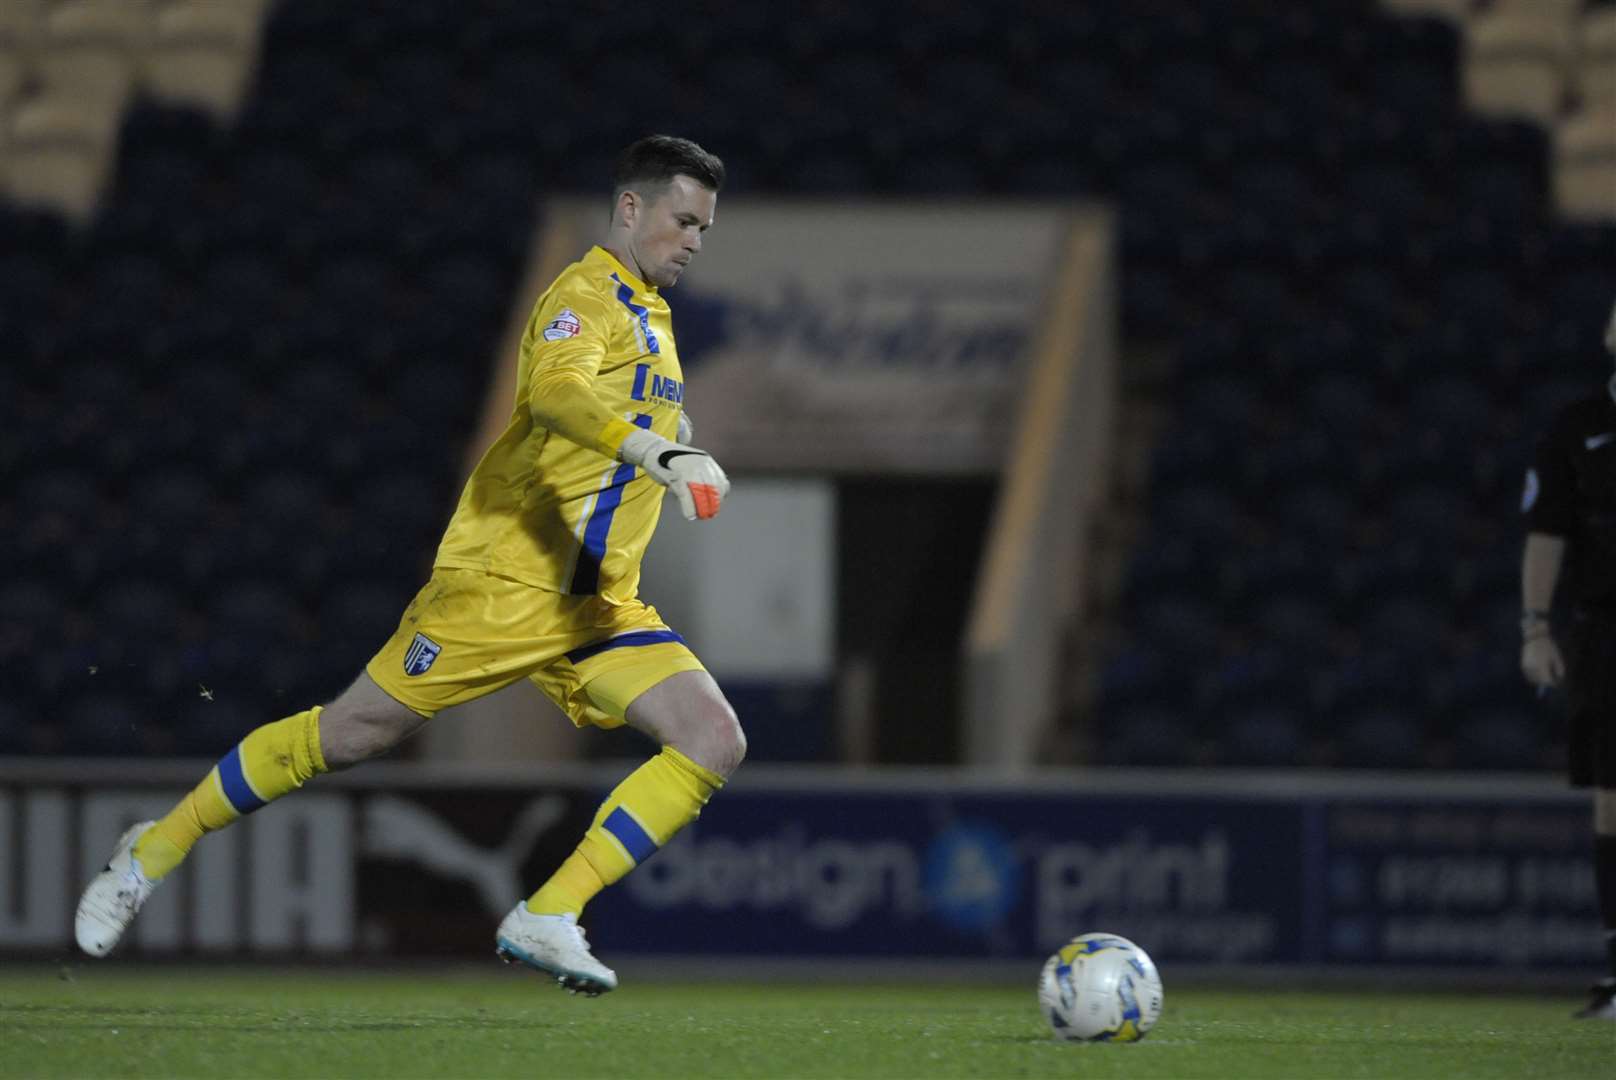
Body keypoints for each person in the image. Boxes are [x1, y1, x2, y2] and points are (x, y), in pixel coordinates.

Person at [74, 135, 744, 995]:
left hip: (597, 606)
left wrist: (676, 443)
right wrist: (656, 450)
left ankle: (547, 914)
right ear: (630, 209)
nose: (693, 239)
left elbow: (606, 419)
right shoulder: (583, 295)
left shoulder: (653, 312)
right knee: (353, 734)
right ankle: (153, 849)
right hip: (503, 584)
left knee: (713, 737)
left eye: (704, 228)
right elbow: (557, 395)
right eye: (683, 220)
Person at [1519, 297, 1616, 1021]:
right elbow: (1547, 532)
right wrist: (1534, 628)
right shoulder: (1580, 426)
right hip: (1607, 637)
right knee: (1613, 803)